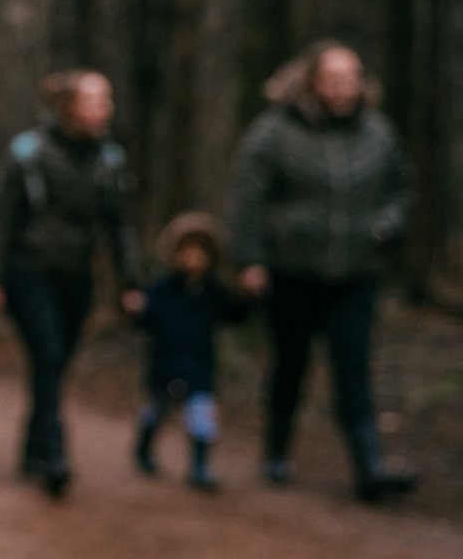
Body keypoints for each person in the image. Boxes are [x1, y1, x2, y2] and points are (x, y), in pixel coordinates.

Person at [231, 40, 418, 503]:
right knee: (290, 364)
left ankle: (369, 466)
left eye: (351, 79)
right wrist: (250, 258)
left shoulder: (377, 132)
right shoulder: (274, 132)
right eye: (334, 80)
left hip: (355, 272)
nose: (344, 89)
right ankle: (276, 452)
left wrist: (388, 224)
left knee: (352, 367)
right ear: (311, 81)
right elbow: (248, 197)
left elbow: (402, 187)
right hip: (292, 270)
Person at [0, 70, 141, 496]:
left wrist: (131, 281)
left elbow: (121, 226)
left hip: (77, 277)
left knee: (55, 363)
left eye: (106, 101)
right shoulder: (29, 153)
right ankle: (54, 454)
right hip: (27, 271)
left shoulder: (110, 160)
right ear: (68, 107)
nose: (104, 109)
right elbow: (1, 216)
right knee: (48, 354)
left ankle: (33, 446)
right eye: (94, 101)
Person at [130, 212, 249, 491]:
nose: (194, 258)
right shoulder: (161, 290)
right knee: (157, 410)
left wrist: (249, 297)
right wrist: (135, 311)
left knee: (202, 416)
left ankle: (200, 466)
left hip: (199, 367)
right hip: (165, 365)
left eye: (200, 252)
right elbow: (144, 321)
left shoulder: (214, 293)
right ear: (176, 253)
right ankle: (145, 445)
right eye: (187, 252)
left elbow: (235, 315)